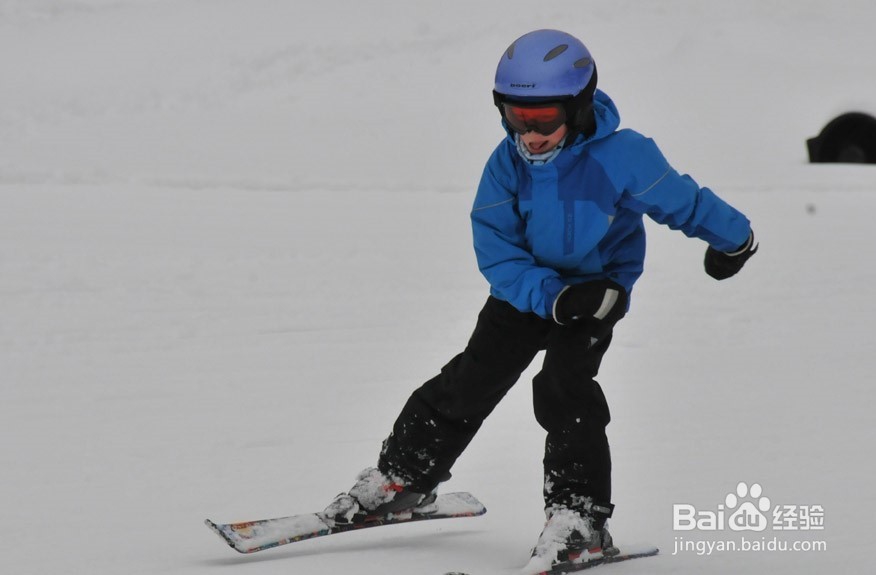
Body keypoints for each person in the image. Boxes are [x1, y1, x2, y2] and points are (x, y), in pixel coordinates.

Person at [322, 29, 757, 571]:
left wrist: (734, 239)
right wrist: (550, 295)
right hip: (527, 290)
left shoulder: (624, 156)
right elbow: (497, 249)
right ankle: (403, 479)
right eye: (515, 116)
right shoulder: (505, 165)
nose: (529, 134)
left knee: (564, 388)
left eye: (543, 118)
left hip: (598, 291)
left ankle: (580, 519)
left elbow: (683, 201)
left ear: (576, 109)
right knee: (469, 380)